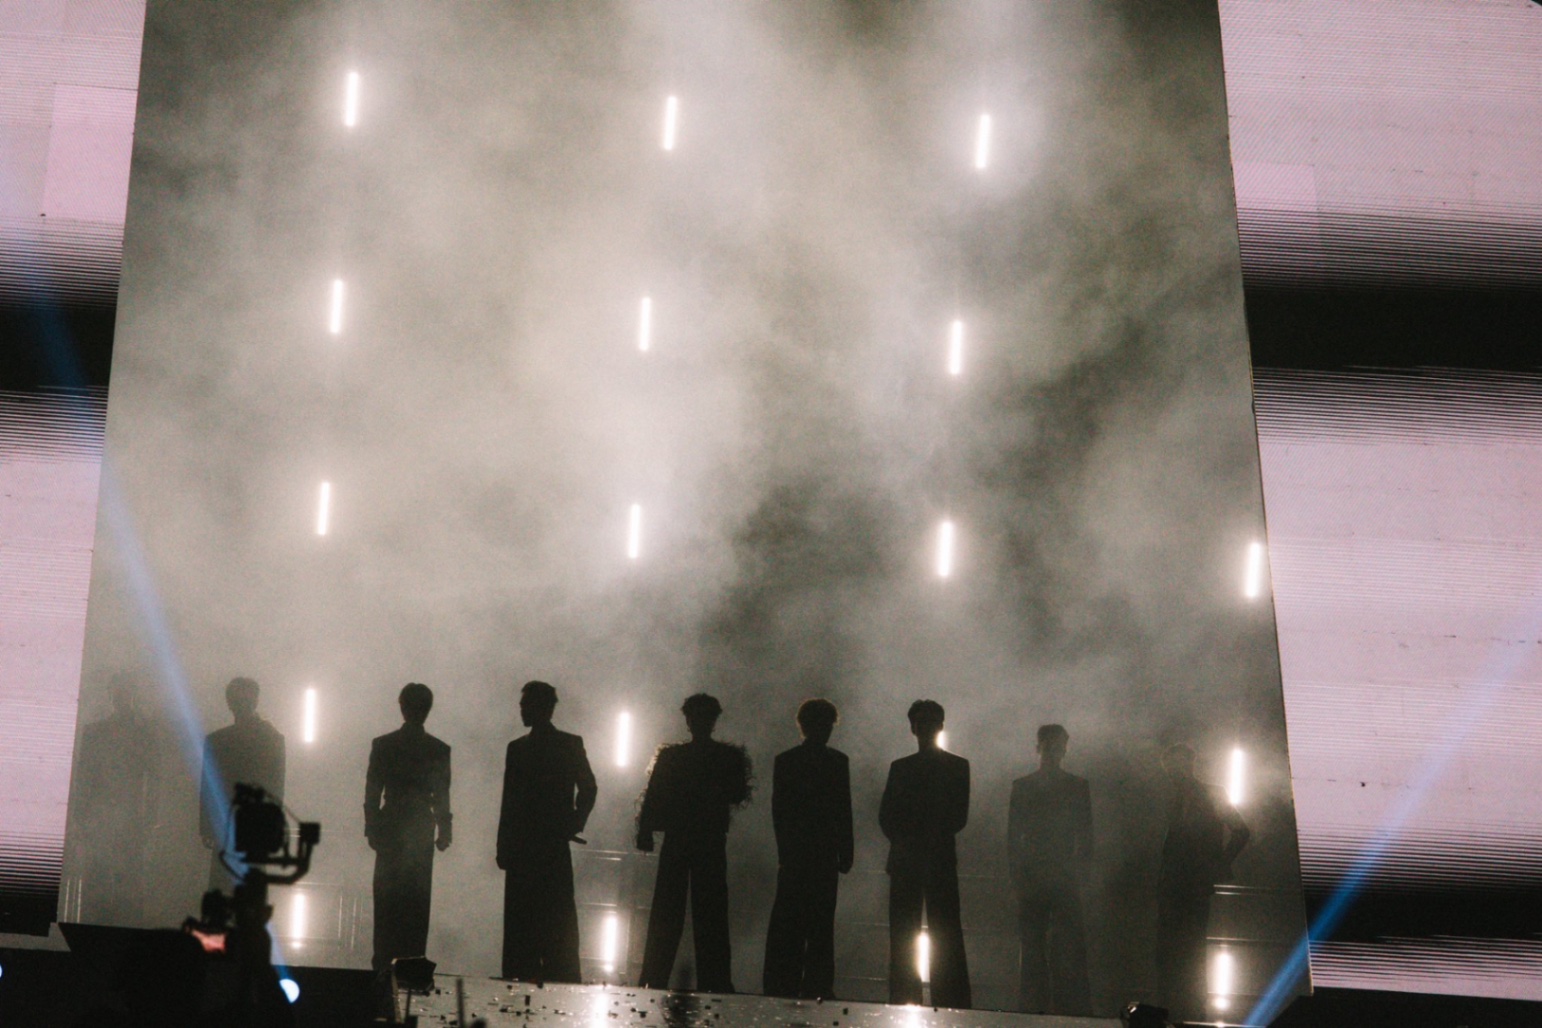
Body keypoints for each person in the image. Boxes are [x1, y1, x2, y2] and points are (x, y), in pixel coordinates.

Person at [635, 693, 752, 993]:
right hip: (709, 839)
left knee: (666, 910)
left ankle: (654, 977)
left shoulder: (672, 757)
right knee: (711, 913)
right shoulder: (727, 757)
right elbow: (738, 793)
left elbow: (653, 796)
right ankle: (715, 980)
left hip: (679, 837)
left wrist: (646, 830)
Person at [496, 680, 598, 983]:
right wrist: (575, 822)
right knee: (556, 923)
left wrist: (504, 846)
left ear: (542, 708)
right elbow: (589, 787)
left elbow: (510, 803)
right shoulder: (567, 744)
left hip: (525, 850)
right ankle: (558, 981)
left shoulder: (518, 749)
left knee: (524, 925)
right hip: (549, 847)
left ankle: (522, 980)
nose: (522, 710)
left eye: (526, 705)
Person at [879, 700, 971, 1009]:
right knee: (946, 933)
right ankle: (951, 1001)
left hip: (907, 859)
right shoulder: (958, 766)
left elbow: (887, 817)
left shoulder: (901, 768)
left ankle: (905, 997)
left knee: (904, 934)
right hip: (939, 859)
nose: (925, 729)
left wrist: (908, 838)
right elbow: (957, 817)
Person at [762, 698, 854, 999]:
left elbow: (780, 811)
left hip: (798, 855)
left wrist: (785, 850)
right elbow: (843, 810)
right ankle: (818, 985)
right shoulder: (838, 762)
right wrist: (846, 849)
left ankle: (782, 983)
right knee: (820, 924)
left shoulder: (786, 761)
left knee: (789, 923)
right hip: (824, 854)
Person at [1156, 742, 1250, 1021]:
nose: (1175, 772)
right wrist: (1218, 864)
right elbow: (1241, 832)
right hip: (1182, 884)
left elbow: (1241, 831)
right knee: (1183, 950)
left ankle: (1185, 1011)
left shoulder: (1204, 794)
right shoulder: (1185, 796)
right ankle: (1185, 1011)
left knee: (1184, 951)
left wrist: (1218, 864)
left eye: (1177, 766)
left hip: (1187, 884)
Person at [365, 682, 453, 974]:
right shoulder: (438, 749)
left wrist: (372, 827)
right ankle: (411, 964)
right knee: (416, 903)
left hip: (391, 824)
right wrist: (444, 829)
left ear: (402, 706)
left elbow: (372, 792)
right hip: (420, 827)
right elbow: (442, 795)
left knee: (387, 903)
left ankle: (382, 967)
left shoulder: (384, 745)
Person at [1007, 724, 1093, 1015]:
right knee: (1052, 946)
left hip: (1045, 874)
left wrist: (1017, 874)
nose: (1055, 751)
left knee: (1038, 945)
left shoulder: (1025, 786)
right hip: (1052, 874)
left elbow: (1013, 837)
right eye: (1052, 746)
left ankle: (1036, 1006)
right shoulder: (1075, 786)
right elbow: (1085, 837)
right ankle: (1059, 1008)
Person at [72, 673, 159, 924]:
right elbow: (84, 779)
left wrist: (150, 818)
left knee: (129, 883)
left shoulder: (144, 733)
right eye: (117, 692)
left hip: (129, 819)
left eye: (124, 691)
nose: (120, 697)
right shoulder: (96, 733)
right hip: (102, 819)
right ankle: (95, 931)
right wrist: (81, 818)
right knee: (98, 880)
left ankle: (124, 933)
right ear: (112, 695)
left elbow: (154, 779)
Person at [200, 677, 285, 889]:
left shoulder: (217, 740)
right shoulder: (271, 738)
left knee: (223, 887)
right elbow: (276, 786)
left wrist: (205, 826)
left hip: (227, 822)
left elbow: (208, 787)